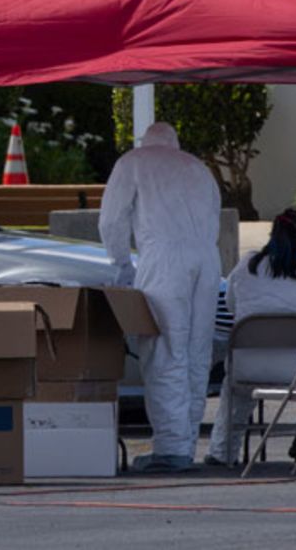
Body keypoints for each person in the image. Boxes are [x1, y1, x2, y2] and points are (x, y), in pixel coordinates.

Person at [99, 121, 221, 472]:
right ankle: (185, 441)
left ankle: (171, 448)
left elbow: (112, 221)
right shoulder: (198, 168)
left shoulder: (133, 162)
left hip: (165, 259)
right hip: (207, 261)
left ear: (146, 141)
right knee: (197, 351)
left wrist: (120, 263)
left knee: (165, 349)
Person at [204, 209, 296, 467]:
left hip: (247, 363)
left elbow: (232, 305)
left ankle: (221, 451)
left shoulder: (246, 265)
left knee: (233, 390)